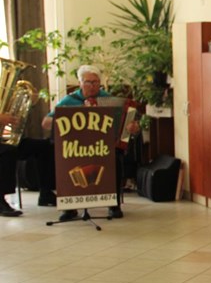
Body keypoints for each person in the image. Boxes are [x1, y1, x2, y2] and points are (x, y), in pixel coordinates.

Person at [42, 65, 139, 220]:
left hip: (101, 147)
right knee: (64, 161)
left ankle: (114, 205)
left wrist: (132, 127)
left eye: (96, 82)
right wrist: (76, 112)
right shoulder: (69, 100)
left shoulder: (108, 99)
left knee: (115, 158)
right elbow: (46, 123)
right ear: (80, 83)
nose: (92, 86)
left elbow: (128, 127)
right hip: (76, 147)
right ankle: (69, 208)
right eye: (88, 82)